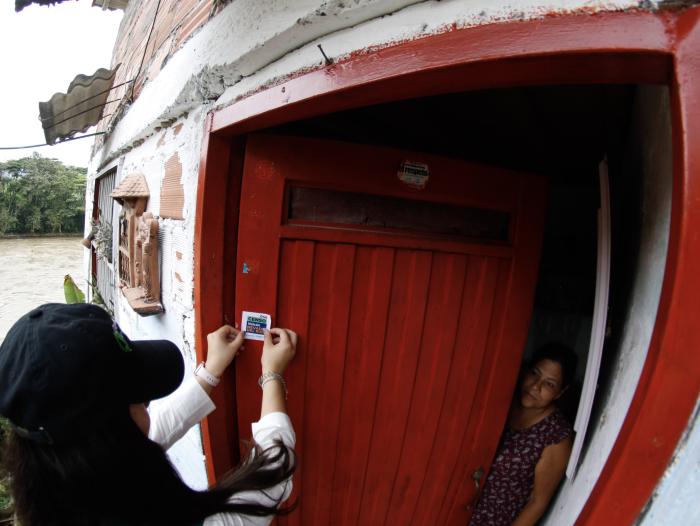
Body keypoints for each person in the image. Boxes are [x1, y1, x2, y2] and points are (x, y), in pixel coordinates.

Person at [0, 302, 297, 526]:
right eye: (142, 401)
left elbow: (153, 433)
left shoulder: (60, 488)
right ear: (114, 437)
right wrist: (272, 375)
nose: (148, 409)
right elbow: (274, 473)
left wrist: (210, 372)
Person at [469, 343, 577, 526]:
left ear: (560, 392)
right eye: (535, 373)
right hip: (456, 509)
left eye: (549, 384)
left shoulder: (556, 436)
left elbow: (537, 503)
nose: (536, 386)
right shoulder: (500, 401)